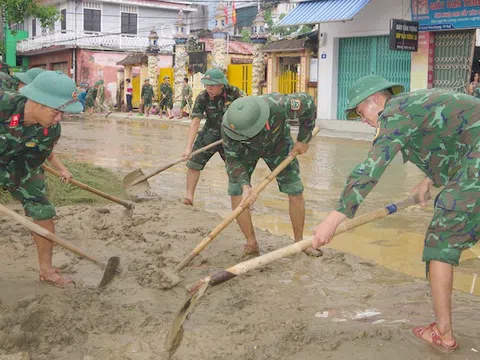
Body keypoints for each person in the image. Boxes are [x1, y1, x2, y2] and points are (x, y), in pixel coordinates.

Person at [311, 75, 479, 353]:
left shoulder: (394, 113)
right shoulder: (411, 107)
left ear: (375, 100)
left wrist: (334, 218)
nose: (360, 118)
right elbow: (449, 140)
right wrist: (429, 179)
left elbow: (372, 167)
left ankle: (443, 334)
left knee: (441, 242)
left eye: (360, 111)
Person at [0, 70, 83, 287]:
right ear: (37, 102)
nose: (59, 119)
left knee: (43, 210)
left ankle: (46, 270)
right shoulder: (4, 104)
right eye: (56, 112)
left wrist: (13, 181)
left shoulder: (51, 130)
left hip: (18, 165)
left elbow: (33, 163)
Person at [221, 93, 323, 258]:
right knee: (236, 192)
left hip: (279, 145)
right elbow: (232, 160)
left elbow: (309, 104)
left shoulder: (279, 105)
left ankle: (299, 242)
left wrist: (303, 139)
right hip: (245, 151)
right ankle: (251, 243)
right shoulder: (229, 126)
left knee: (295, 189)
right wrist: (245, 185)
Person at [181, 68, 243, 205]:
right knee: (194, 163)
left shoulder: (234, 93)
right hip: (210, 132)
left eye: (212, 85)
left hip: (230, 135)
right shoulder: (202, 97)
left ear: (221, 84)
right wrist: (188, 148)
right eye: (206, 85)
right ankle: (189, 197)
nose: (208, 88)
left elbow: (248, 111)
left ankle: (242, 200)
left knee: (236, 167)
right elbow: (195, 122)